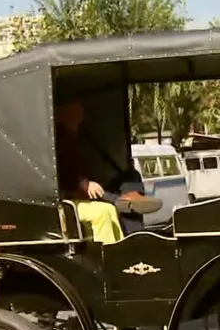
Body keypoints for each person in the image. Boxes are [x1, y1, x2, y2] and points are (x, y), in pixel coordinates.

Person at [55, 99, 161, 242]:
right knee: (104, 212)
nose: (78, 121)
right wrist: (84, 184)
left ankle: (123, 245)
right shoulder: (60, 143)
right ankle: (121, 204)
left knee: (128, 180)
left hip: (83, 194)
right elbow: (61, 177)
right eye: (75, 117)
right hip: (67, 200)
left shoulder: (72, 140)